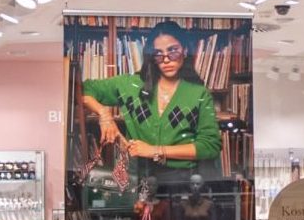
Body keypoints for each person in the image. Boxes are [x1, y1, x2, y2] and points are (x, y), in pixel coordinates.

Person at [81, 21, 222, 173]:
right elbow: (84, 89)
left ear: (185, 51)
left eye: (173, 51)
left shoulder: (199, 94)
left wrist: (155, 150)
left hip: (183, 180)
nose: (166, 59)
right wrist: (104, 115)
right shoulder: (131, 86)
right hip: (139, 178)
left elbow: (210, 146)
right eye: (159, 54)